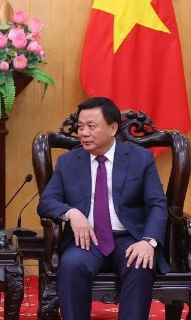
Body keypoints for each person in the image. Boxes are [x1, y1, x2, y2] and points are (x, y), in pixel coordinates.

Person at [37, 97, 169, 319]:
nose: (83, 133)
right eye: (80, 126)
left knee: (141, 264)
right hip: (86, 240)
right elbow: (46, 202)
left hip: (130, 237)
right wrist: (72, 213)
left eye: (91, 126)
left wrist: (149, 242)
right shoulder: (68, 162)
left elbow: (157, 204)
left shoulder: (140, 159)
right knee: (71, 265)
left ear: (113, 128)